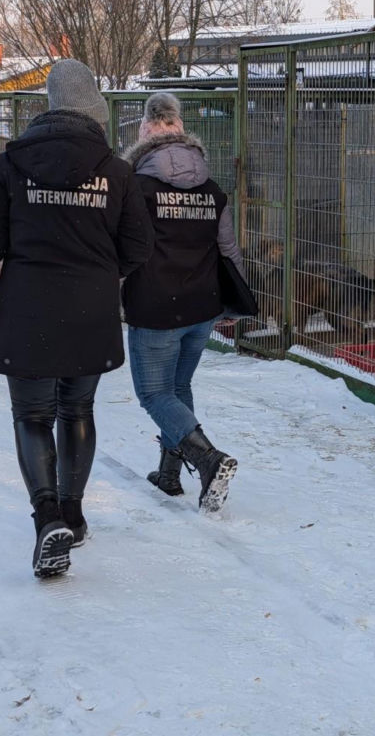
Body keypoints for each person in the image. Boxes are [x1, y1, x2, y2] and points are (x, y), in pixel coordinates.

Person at [0, 60, 153, 578]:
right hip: (91, 311)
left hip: (28, 309)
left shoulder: (12, 165)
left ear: (50, 106)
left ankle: (47, 519)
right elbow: (139, 247)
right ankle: (73, 515)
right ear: (94, 111)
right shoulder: (118, 172)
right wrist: (103, 275)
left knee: (33, 416)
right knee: (77, 409)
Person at [122, 91, 244, 513]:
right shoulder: (212, 189)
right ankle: (170, 474)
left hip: (156, 310)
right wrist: (235, 300)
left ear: (145, 133)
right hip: (202, 309)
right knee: (177, 388)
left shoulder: (135, 187)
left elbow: (124, 249)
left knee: (155, 394)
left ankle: (209, 460)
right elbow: (228, 250)